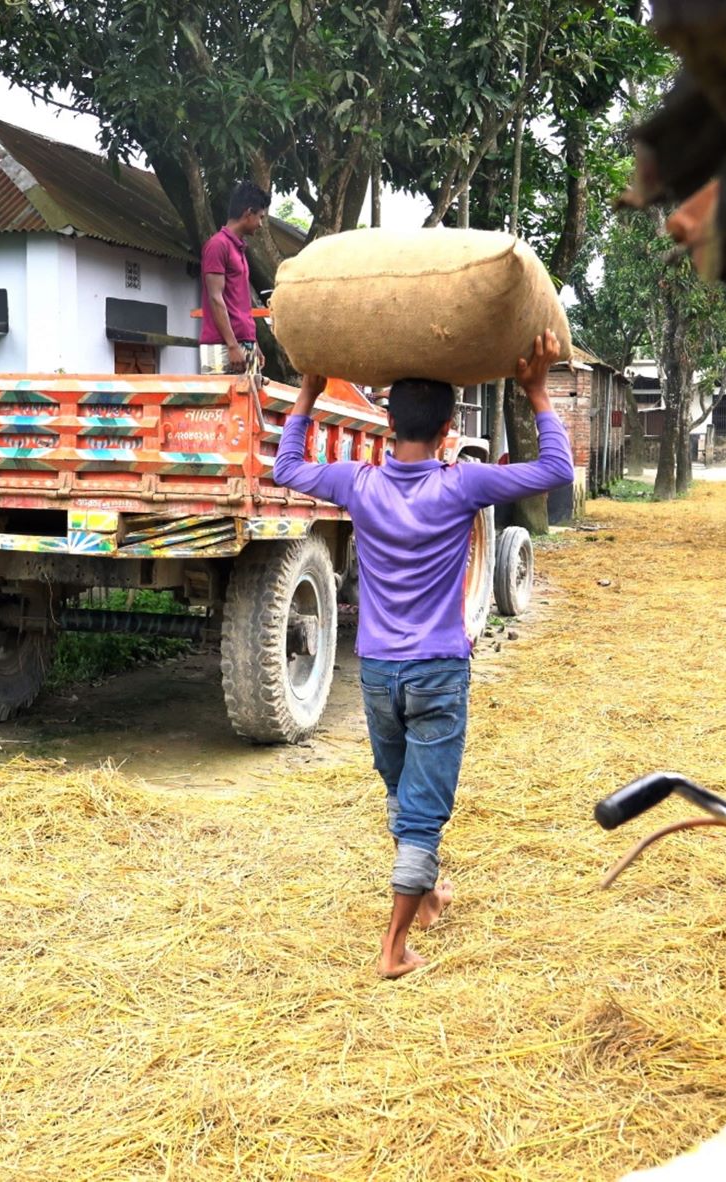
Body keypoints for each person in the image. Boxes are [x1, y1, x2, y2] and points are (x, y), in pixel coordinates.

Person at [273, 332, 574, 979]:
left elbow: (286, 467)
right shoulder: (458, 486)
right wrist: (536, 392)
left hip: (378, 673)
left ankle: (428, 893)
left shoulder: (358, 483)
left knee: (400, 789)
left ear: (386, 424)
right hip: (437, 669)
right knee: (423, 813)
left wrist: (307, 389)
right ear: (445, 431)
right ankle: (392, 949)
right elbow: (555, 473)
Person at [200, 181, 269, 375]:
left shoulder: (238, 247)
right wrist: (232, 345)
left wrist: (253, 342)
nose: (261, 224)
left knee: (251, 405)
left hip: (243, 343)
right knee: (222, 406)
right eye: (260, 217)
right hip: (222, 346)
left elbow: (239, 302)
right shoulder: (217, 245)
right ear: (248, 212)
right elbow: (216, 297)